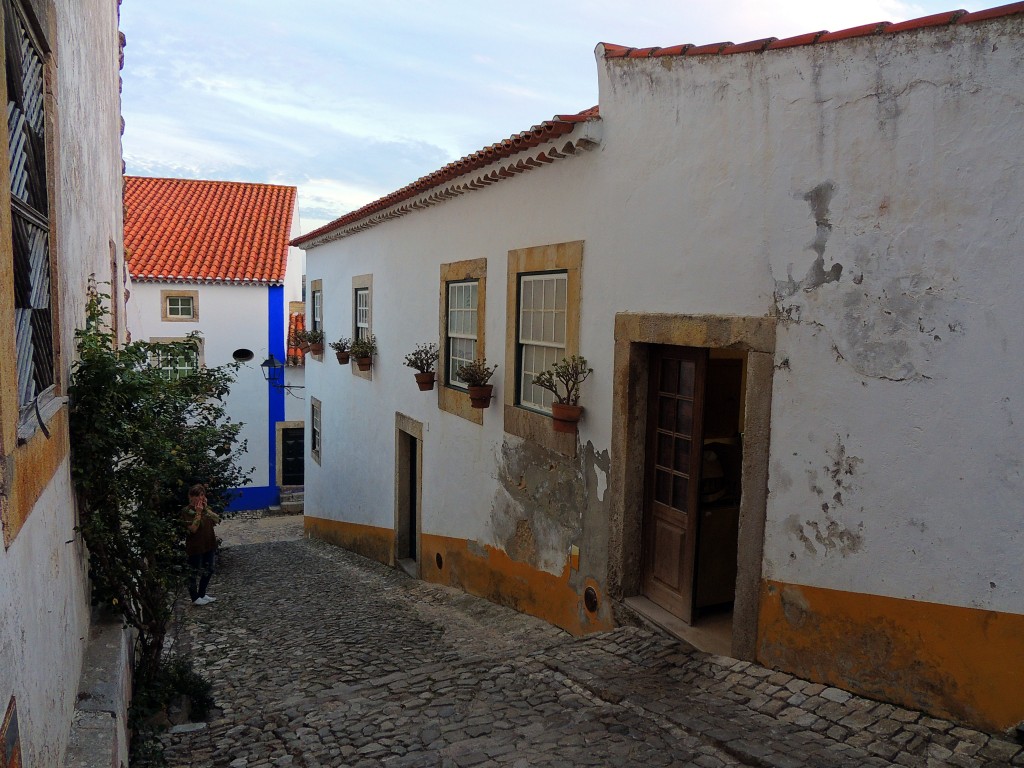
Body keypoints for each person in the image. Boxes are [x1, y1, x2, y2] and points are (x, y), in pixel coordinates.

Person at [184, 484, 221, 605]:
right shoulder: (187, 511)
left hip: (209, 543)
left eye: (201, 495)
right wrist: (198, 513)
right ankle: (194, 597)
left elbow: (217, 520)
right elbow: (193, 529)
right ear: (190, 497)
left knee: (209, 569)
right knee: (193, 572)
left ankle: (202, 593)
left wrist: (206, 510)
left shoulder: (205, 509)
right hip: (195, 546)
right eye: (196, 496)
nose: (199, 498)